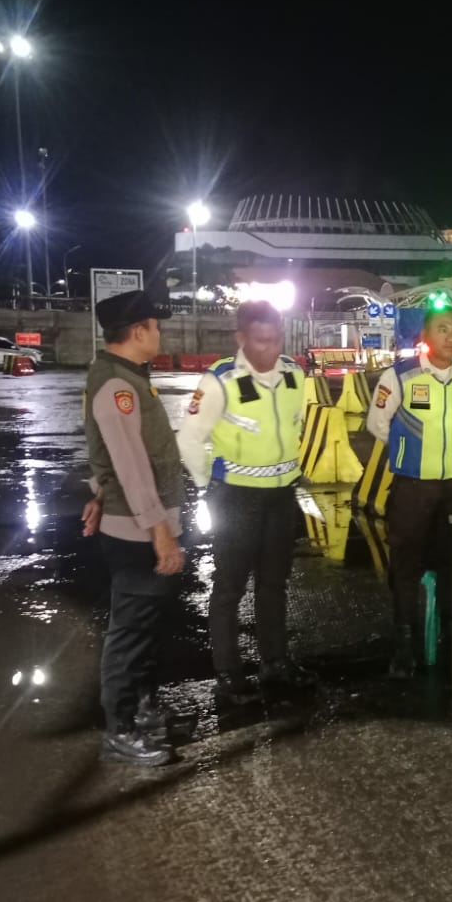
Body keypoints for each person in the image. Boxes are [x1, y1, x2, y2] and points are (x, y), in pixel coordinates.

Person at [176, 301, 311, 702]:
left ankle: (275, 663)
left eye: (276, 339)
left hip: (281, 496)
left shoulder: (295, 374)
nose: (270, 348)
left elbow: (297, 424)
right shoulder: (221, 380)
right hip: (235, 498)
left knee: (274, 583)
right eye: (261, 340)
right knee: (229, 587)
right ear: (241, 338)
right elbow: (188, 440)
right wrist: (209, 484)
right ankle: (229, 674)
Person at [81, 290, 185, 767]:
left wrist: (99, 492)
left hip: (137, 520)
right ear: (139, 330)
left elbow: (106, 457)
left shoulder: (127, 377)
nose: (159, 335)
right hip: (137, 530)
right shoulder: (117, 386)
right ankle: (120, 729)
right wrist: (160, 530)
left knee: (145, 628)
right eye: (155, 327)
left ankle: (142, 709)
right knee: (130, 631)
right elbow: (131, 466)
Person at [366, 308, 452, 676]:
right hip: (412, 490)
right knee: (406, 568)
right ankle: (405, 647)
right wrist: (411, 454)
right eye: (443, 329)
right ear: (426, 336)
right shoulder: (400, 375)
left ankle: (451, 643)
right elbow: (378, 424)